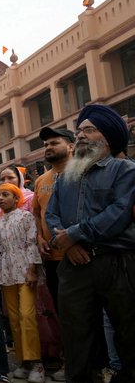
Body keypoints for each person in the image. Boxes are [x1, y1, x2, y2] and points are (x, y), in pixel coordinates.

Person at [46, 104, 135, 381]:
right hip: (75, 266)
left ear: (107, 137)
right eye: (79, 130)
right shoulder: (64, 178)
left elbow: (119, 214)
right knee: (77, 338)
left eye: (90, 129)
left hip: (116, 262)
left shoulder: (125, 170)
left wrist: (75, 233)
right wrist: (69, 245)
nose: (81, 135)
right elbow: (51, 215)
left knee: (129, 333)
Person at [32, 127, 74, 381]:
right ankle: (71, 363)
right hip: (52, 258)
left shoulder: (82, 174)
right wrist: (39, 237)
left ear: (70, 146)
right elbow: (37, 213)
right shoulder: (42, 181)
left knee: (84, 314)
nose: (48, 147)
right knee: (62, 313)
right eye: (46, 144)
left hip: (79, 255)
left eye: (54, 142)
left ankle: (95, 365)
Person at [0, 184, 44, 383]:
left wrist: (32, 269)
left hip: (25, 271)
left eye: (6, 195)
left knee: (27, 316)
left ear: (16, 197)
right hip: (6, 274)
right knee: (13, 319)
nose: (1, 198)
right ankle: (23, 362)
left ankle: (37, 362)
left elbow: (31, 243)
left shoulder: (26, 217)